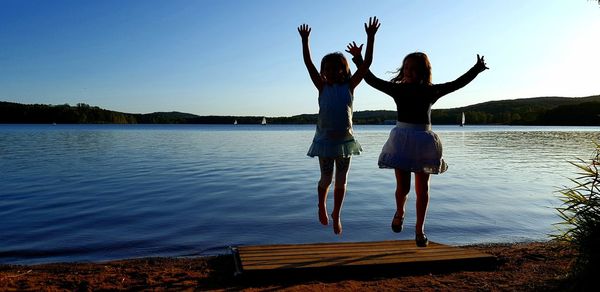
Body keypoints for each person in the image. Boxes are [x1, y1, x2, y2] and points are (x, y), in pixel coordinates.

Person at [349, 50, 488, 246]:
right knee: (403, 187)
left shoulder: (430, 91)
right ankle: (400, 211)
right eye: (406, 68)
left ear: (423, 71)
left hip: (424, 142)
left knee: (423, 190)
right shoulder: (398, 89)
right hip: (402, 141)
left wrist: (476, 69)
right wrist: (358, 59)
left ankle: (419, 229)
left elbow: (456, 84)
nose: (409, 72)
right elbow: (371, 79)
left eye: (414, 69)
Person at [298, 17, 380, 235]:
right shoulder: (321, 87)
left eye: (338, 69)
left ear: (345, 71)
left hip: (345, 142)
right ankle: (322, 206)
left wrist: (370, 37)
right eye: (329, 69)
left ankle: (337, 215)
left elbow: (366, 64)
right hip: (324, 142)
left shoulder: (350, 87)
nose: (333, 72)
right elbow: (308, 63)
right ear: (324, 72)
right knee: (326, 178)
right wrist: (305, 41)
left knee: (341, 182)